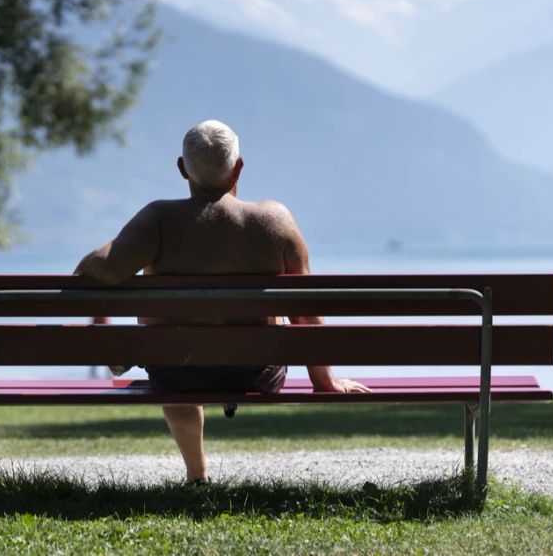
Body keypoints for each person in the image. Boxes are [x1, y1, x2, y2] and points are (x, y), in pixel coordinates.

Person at [74, 119, 370, 482]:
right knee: (258, 324)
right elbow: (304, 308)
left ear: (183, 169)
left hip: (175, 372)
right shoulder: (274, 220)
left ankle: (197, 476)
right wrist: (324, 381)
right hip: (256, 371)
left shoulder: (158, 219)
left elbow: (103, 268)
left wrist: (97, 256)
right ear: (238, 167)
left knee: (170, 357)